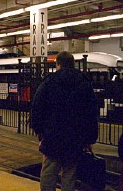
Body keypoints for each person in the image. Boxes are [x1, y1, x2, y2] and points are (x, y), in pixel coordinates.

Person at [31, 51, 99, 191]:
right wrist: (89, 139)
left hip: (52, 136)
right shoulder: (84, 82)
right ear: (73, 64)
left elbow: (37, 107)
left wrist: (39, 131)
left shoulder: (49, 81)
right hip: (75, 138)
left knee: (49, 173)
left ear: (58, 64)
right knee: (69, 174)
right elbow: (91, 112)